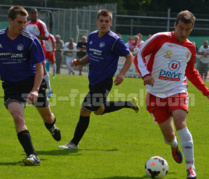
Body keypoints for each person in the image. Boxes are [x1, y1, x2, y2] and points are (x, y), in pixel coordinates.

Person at [134, 10, 209, 179]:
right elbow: (139, 55)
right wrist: (146, 74)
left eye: (188, 29)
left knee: (180, 122)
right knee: (169, 135)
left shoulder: (191, 47)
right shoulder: (160, 38)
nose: (183, 33)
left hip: (178, 90)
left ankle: (190, 167)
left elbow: (191, 72)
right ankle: (174, 146)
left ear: (192, 29)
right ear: (175, 25)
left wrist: (207, 93)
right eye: (181, 28)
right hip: (155, 95)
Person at [59, 9, 139, 150]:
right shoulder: (92, 36)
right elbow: (89, 56)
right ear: (97, 21)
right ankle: (128, 103)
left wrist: (122, 74)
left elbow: (129, 56)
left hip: (104, 82)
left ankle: (73, 143)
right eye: (101, 21)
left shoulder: (114, 40)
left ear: (110, 23)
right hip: (93, 80)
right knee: (99, 110)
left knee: (85, 110)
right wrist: (79, 61)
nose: (103, 24)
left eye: (106, 21)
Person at [0, 6, 61, 166]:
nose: (22, 25)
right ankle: (33, 155)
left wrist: (34, 90)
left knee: (47, 117)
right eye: (19, 22)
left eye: (24, 22)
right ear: (10, 20)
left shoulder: (30, 39)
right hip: (12, 85)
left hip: (32, 82)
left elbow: (40, 67)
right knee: (18, 117)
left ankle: (52, 125)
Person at [26, 8, 53, 98]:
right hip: (29, 50)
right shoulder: (27, 24)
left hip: (39, 49)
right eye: (32, 13)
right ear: (29, 14)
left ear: (37, 14)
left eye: (35, 13)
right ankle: (31, 89)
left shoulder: (40, 23)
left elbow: (46, 36)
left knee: (42, 69)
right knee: (29, 69)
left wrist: (33, 36)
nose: (34, 15)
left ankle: (49, 89)